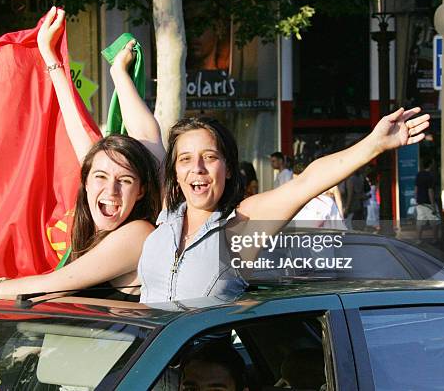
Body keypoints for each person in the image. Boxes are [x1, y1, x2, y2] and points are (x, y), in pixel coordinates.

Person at [0, 8, 162, 302]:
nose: (111, 190)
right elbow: (76, 129)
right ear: (88, 181)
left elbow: (59, 283)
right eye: (101, 177)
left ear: (142, 190)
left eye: (125, 180)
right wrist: (51, 59)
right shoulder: (100, 206)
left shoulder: (140, 234)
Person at [137, 108, 429, 303]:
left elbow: (306, 183)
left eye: (210, 157)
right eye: (185, 158)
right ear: (175, 170)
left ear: (228, 169)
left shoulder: (239, 226)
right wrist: (118, 72)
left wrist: (374, 145)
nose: (197, 168)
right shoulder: (166, 217)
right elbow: (147, 136)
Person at [415, 159, 440, 243]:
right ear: (430, 165)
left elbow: (416, 188)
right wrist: (433, 205)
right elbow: (430, 191)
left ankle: (418, 239)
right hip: (428, 203)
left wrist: (416, 199)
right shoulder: (431, 176)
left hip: (420, 202)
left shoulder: (419, 174)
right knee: (434, 221)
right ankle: (435, 239)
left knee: (420, 221)